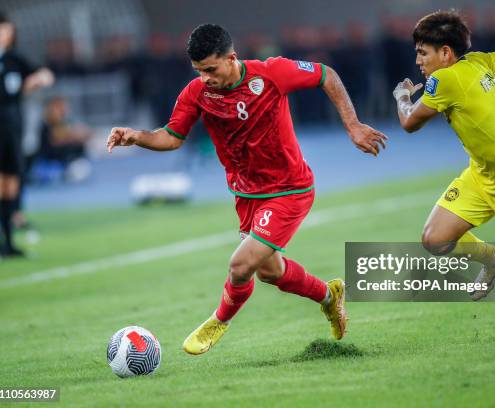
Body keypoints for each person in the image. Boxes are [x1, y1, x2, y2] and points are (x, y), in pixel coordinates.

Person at [107, 24, 387, 354]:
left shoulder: (271, 74)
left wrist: (352, 125)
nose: (205, 78)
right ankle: (329, 295)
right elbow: (171, 136)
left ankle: (219, 320)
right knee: (269, 271)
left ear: (231, 58)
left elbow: (326, 74)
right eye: (198, 71)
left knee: (241, 265)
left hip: (289, 189)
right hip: (247, 196)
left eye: (211, 69)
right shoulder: (197, 92)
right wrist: (137, 136)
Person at [393, 10, 495, 340]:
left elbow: (409, 122)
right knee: (435, 239)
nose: (418, 60)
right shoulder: (479, 62)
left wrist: (401, 97)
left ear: (445, 53)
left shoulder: (446, 79)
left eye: (422, 52)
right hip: (482, 176)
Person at [0, 10, 54, 260]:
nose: (0, 34)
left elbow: (44, 74)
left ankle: (10, 244)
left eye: (2, 30)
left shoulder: (14, 59)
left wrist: (37, 80)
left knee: (11, 187)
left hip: (13, 133)